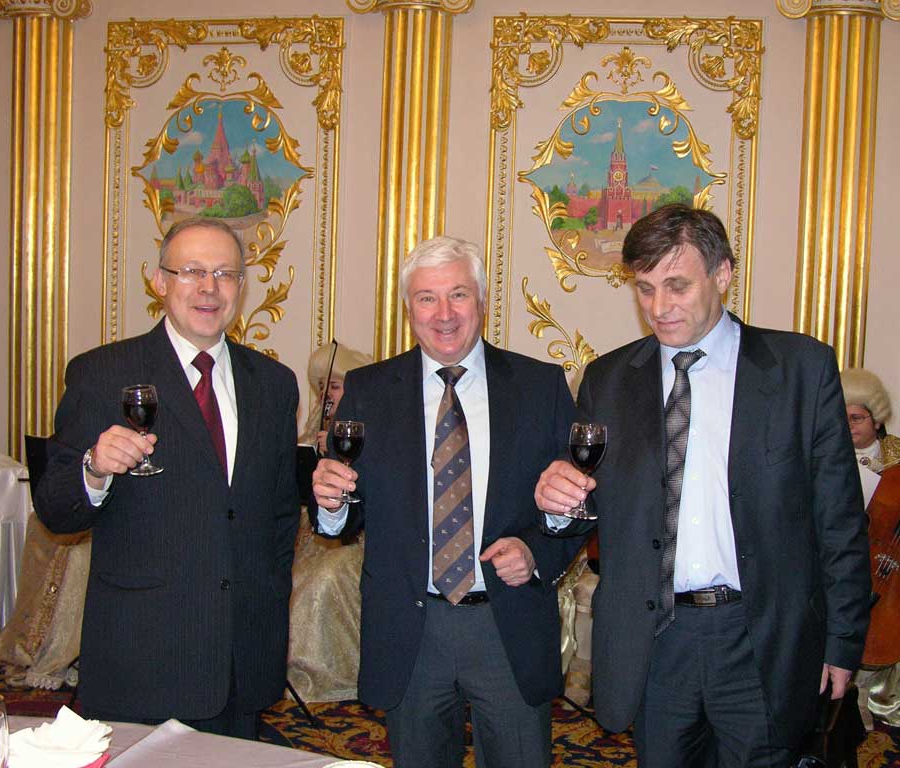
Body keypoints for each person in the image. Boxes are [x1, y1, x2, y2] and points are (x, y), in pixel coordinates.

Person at [535, 204, 870, 767]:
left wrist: (842, 640)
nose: (658, 308)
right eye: (645, 289)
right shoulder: (609, 380)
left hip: (761, 638)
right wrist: (556, 505)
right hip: (657, 640)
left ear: (722, 275)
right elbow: (586, 505)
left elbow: (838, 520)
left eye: (677, 286)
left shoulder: (799, 370)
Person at [312, 236, 584, 768]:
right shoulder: (369, 390)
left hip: (506, 625)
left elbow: (576, 504)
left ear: (481, 301)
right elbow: (349, 512)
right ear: (408, 308)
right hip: (411, 631)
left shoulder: (540, 386)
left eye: (458, 294)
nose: (444, 314)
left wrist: (535, 550)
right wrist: (331, 503)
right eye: (427, 298)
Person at [34, 216, 300, 738]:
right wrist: (94, 468)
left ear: (241, 286)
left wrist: (266, 603)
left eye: (225, 274)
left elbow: (279, 516)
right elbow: (55, 509)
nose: (209, 288)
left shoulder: (273, 384)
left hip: (240, 656)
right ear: (160, 281)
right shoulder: (101, 373)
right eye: (192, 271)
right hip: (143, 655)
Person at [288, 342, 372, 703]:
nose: (326, 395)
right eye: (322, 387)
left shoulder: (369, 432)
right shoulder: (311, 433)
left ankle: (325, 674)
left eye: (334, 386)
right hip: (308, 538)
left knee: (321, 581)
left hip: (358, 543)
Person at [841, 368, 900, 729]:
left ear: (876, 419)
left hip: (889, 568)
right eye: (842, 417)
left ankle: (883, 705)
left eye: (857, 418)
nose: (848, 426)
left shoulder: (897, 458)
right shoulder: (826, 459)